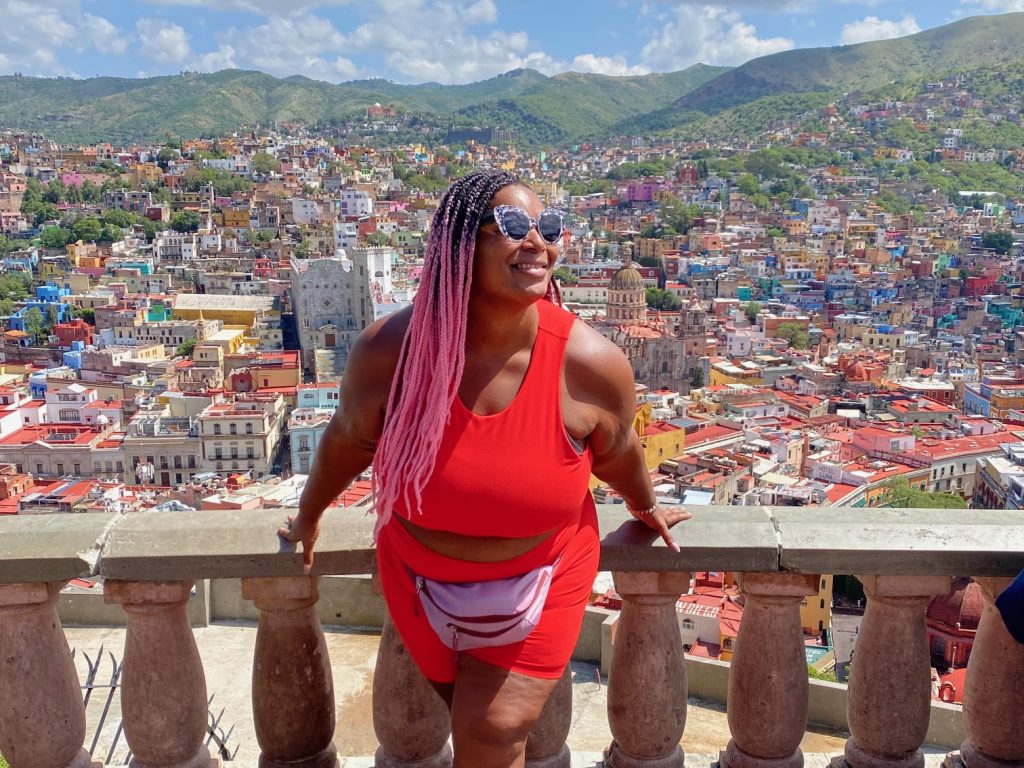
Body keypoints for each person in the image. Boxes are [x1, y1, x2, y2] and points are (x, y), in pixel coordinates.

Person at [279, 169, 690, 768]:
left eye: (548, 228)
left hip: (542, 577)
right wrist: (309, 518)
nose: (538, 244)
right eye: (514, 226)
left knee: (491, 731)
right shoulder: (389, 350)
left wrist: (644, 507)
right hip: (418, 580)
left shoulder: (589, 363)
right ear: (458, 243)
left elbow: (619, 450)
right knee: (477, 730)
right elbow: (347, 441)